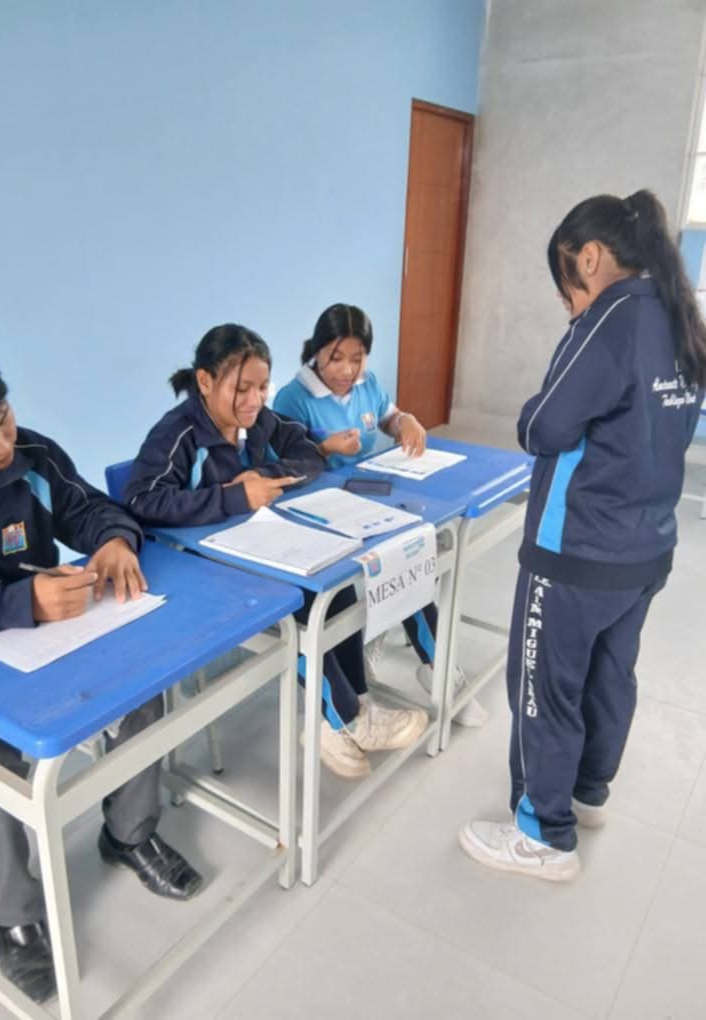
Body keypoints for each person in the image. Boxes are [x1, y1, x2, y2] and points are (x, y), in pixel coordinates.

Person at [459, 190, 706, 882]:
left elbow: (544, 427)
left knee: (544, 684)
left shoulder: (611, 317)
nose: (567, 302)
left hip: (576, 550)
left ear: (589, 258)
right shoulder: (677, 315)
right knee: (608, 674)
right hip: (646, 548)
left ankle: (543, 833)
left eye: (566, 284)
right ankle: (587, 791)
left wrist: (531, 412)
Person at [0, 331, 203, 1005]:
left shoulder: (33, 454)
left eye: (3, 419)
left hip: (50, 642)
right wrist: (19, 602)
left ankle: (129, 834)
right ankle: (14, 912)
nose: (0, 448)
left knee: (141, 688)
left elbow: (90, 508)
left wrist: (115, 540)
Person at [124, 323, 429, 780]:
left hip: (256, 546)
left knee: (337, 584)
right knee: (298, 605)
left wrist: (264, 476)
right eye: (241, 388)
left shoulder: (259, 421)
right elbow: (140, 501)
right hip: (199, 567)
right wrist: (232, 496)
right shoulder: (178, 433)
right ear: (205, 381)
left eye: (262, 387)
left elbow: (308, 454)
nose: (254, 400)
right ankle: (344, 719)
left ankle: (355, 706)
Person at [273, 302, 487, 726]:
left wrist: (406, 421)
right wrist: (324, 449)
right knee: (398, 564)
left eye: (357, 358)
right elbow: (280, 463)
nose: (347, 370)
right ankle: (426, 668)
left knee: (409, 559)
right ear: (317, 351)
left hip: (369, 505)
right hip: (316, 517)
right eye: (336, 358)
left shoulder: (367, 384)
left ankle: (441, 672)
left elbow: (387, 417)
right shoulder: (292, 398)